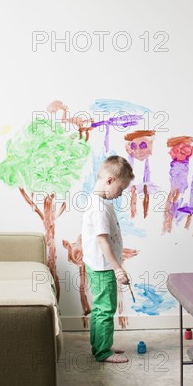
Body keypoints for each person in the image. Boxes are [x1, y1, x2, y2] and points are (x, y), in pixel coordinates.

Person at [82, 155, 135, 363]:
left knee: (99, 307)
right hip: (104, 267)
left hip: (96, 265)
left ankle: (100, 345)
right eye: (121, 189)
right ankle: (103, 352)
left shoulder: (98, 202)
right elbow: (103, 241)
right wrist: (118, 269)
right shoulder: (100, 208)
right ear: (110, 180)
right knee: (106, 309)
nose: (120, 193)